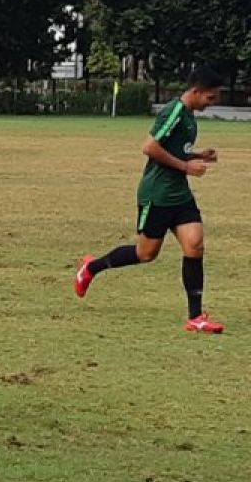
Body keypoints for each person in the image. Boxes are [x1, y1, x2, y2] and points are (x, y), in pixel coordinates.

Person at [75, 65, 226, 333]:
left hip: (179, 195)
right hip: (156, 195)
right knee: (145, 254)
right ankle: (92, 267)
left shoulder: (190, 116)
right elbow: (149, 147)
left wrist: (199, 156)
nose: (212, 103)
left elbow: (176, 150)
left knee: (195, 245)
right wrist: (186, 167)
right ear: (196, 91)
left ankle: (195, 317)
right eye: (210, 97)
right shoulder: (175, 112)